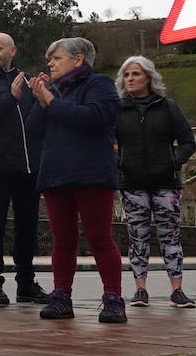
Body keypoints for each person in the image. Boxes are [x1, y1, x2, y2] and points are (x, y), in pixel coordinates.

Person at [27, 37, 127, 323]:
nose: (50, 63)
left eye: (56, 58)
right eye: (50, 58)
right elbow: (34, 130)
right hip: (56, 173)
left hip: (91, 172)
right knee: (62, 239)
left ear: (78, 59)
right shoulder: (53, 92)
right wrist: (40, 100)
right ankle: (61, 296)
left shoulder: (100, 84)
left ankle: (113, 299)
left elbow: (92, 117)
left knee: (100, 237)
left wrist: (49, 100)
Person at [0, 32, 50, 305]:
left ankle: (26, 283)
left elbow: (39, 124)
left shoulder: (26, 81)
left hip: (29, 167)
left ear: (12, 50)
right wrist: (11, 98)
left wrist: (42, 99)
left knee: (27, 226)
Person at [116, 56, 196, 308]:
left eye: (135, 74)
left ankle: (177, 290)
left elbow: (188, 142)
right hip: (132, 185)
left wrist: (173, 162)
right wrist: (118, 163)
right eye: (126, 75)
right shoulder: (117, 109)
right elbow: (103, 143)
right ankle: (140, 290)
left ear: (149, 78)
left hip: (166, 184)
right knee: (137, 238)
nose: (129, 79)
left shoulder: (169, 107)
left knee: (170, 236)